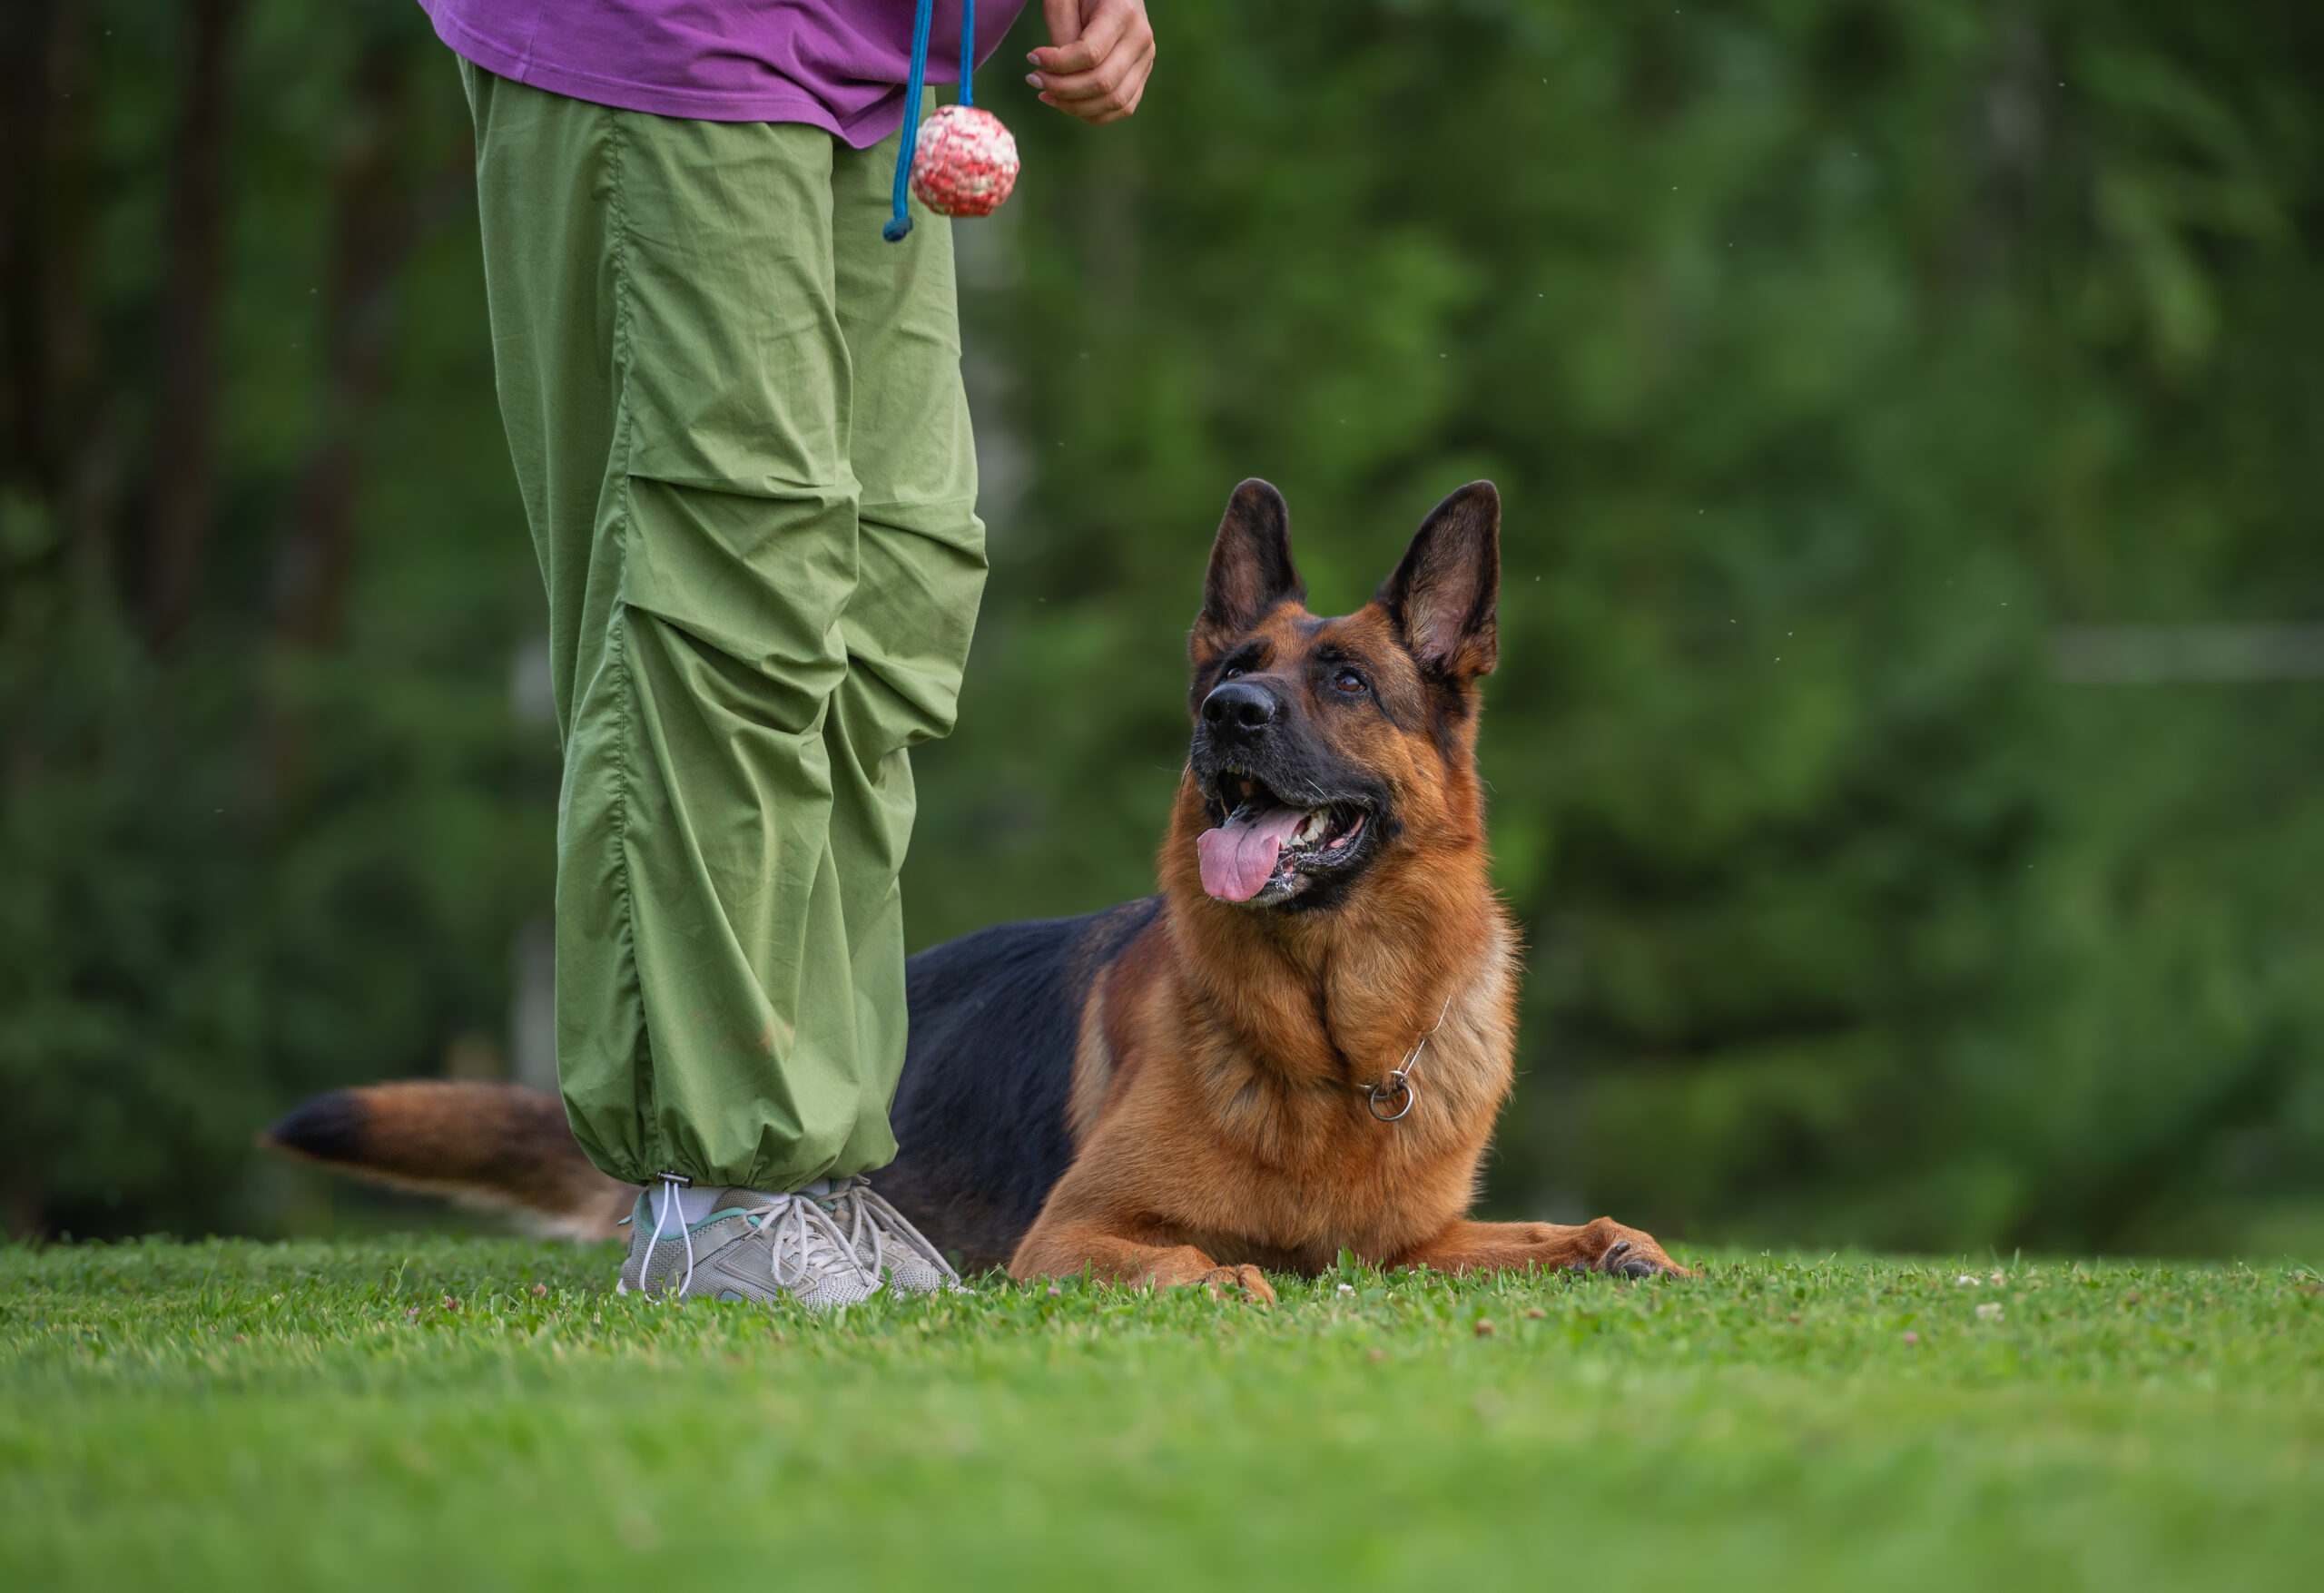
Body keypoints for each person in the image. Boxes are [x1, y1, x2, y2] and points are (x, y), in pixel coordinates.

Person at [428, 0, 1156, 1305]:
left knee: (892, 588)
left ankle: (814, 1166)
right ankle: (715, 1188)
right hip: (675, 42)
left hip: (884, 67)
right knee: (731, 605)